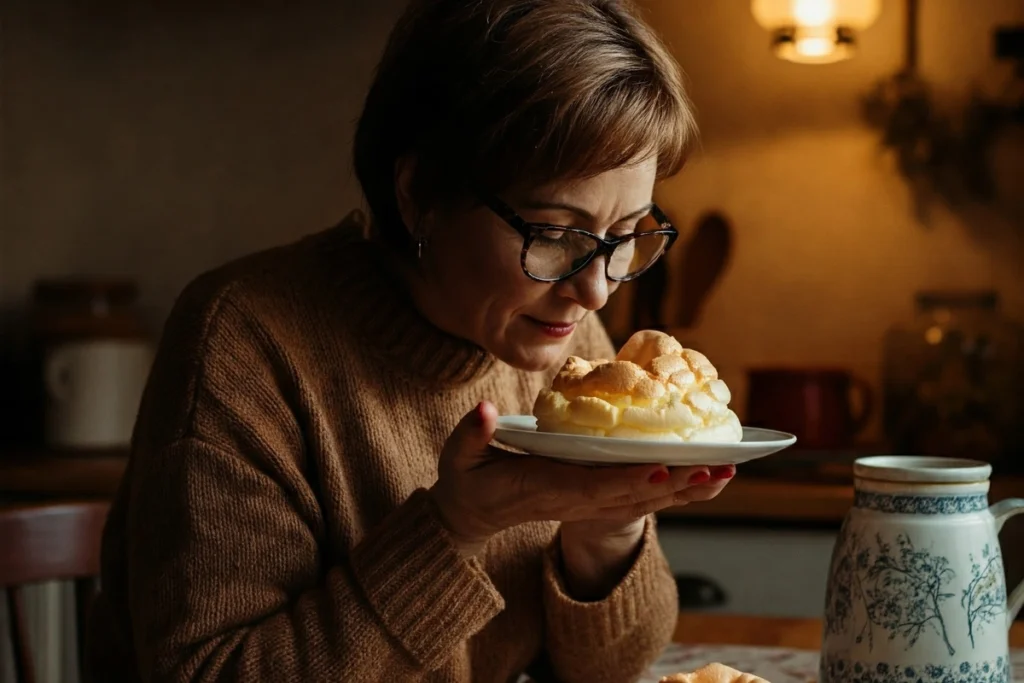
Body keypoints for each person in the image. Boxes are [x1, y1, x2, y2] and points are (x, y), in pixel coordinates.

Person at [88, 0, 738, 680]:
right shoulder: (245, 342)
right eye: (553, 234)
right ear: (420, 193)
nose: (597, 290)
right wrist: (454, 528)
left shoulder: (572, 353)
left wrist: (607, 531)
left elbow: (607, 669)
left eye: (626, 234)